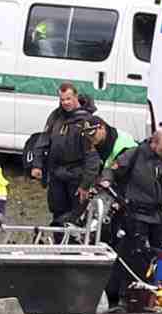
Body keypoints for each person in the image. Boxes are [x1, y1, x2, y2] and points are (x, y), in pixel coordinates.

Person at [105, 126, 162, 291]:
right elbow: (112, 169)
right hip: (136, 214)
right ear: (153, 144)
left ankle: (155, 286)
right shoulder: (134, 154)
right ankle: (131, 289)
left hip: (160, 214)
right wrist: (106, 179)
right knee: (135, 253)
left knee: (160, 251)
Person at [28, 84, 106, 229]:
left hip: (77, 175)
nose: (65, 103)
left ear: (76, 97)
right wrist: (37, 164)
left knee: (75, 216)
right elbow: (43, 140)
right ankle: (58, 243)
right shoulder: (56, 116)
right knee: (57, 212)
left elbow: (92, 157)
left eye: (68, 99)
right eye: (62, 99)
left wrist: (86, 184)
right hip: (57, 173)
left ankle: (74, 247)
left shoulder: (87, 121)